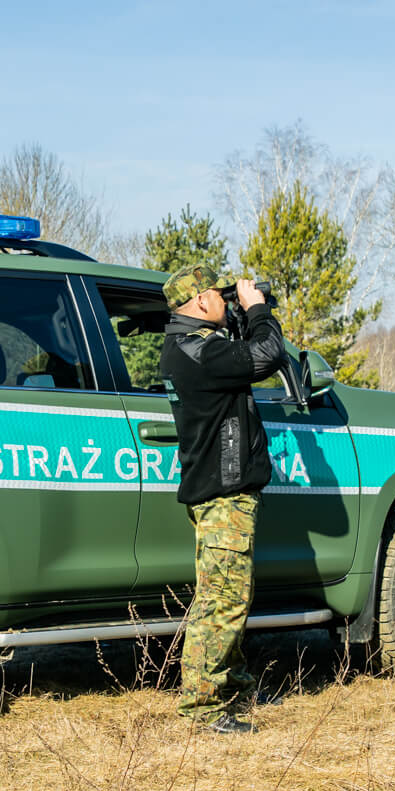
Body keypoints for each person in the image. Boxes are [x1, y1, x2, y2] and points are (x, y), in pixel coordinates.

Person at [158, 265, 287, 734]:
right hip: (224, 493)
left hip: (218, 490)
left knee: (230, 595)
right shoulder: (202, 351)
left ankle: (232, 687)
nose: (224, 299)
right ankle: (203, 706)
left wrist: (237, 311)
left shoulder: (186, 345)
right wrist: (256, 308)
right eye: (218, 293)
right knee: (223, 603)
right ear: (197, 303)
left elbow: (241, 353)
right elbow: (267, 354)